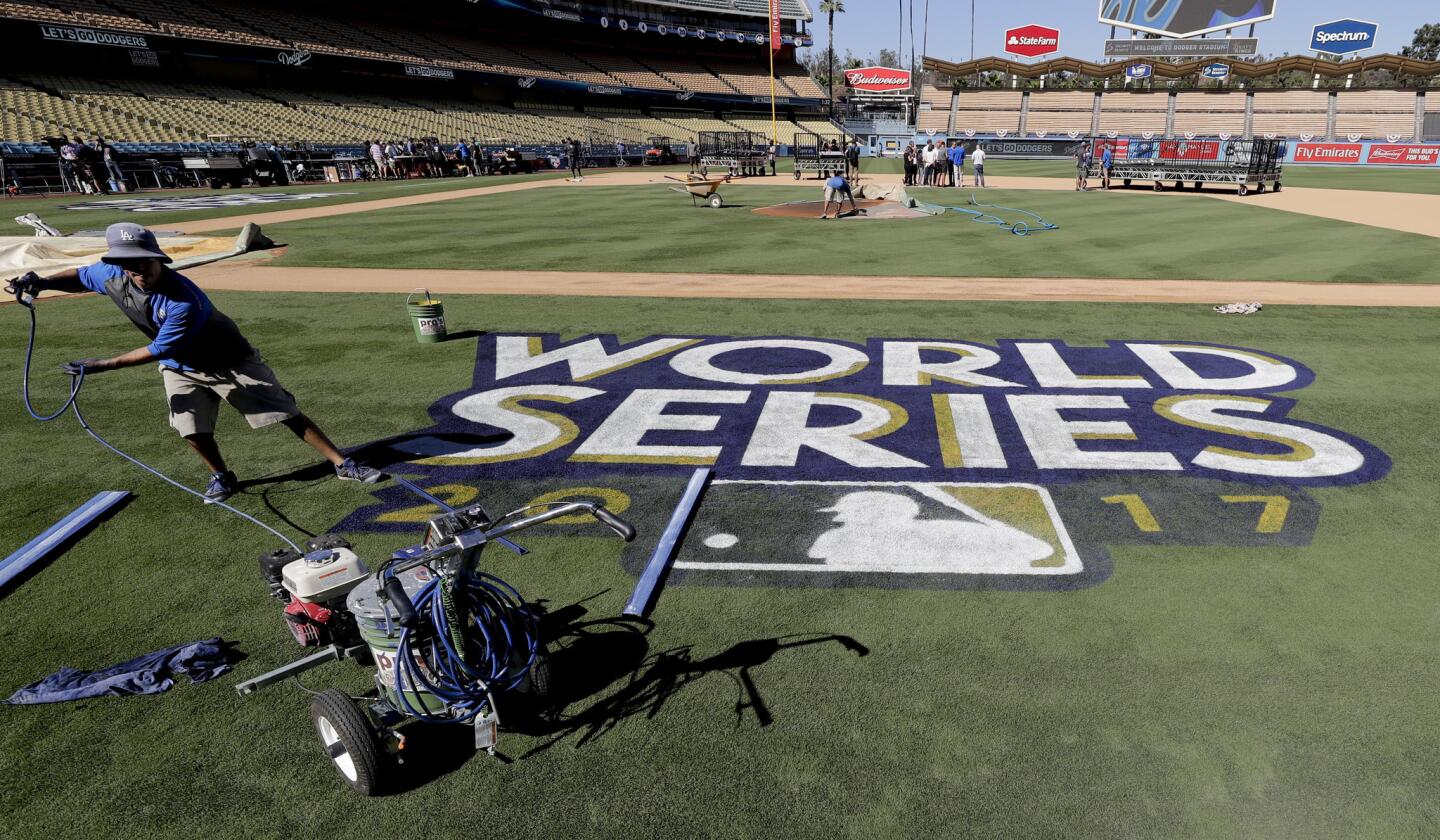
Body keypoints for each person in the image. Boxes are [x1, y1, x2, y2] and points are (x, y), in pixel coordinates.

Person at [5, 224, 385, 503]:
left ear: (159, 260)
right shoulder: (112, 273)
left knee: (283, 412)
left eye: (146, 264)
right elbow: (82, 275)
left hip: (228, 360)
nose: (140, 272)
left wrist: (101, 365)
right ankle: (222, 476)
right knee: (190, 428)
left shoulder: (184, 300)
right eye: (130, 266)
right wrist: (43, 281)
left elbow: (158, 349)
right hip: (181, 366)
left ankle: (342, 463)